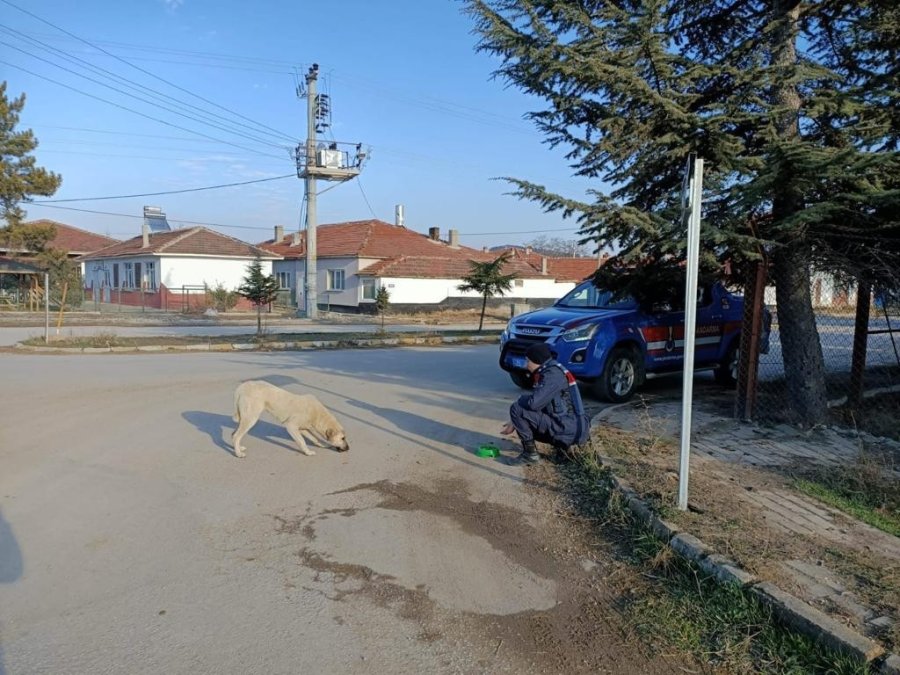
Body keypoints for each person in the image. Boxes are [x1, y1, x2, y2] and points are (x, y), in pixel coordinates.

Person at [501, 342, 590, 465]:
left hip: (569, 429)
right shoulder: (553, 369)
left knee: (517, 408)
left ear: (537, 360)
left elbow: (534, 404)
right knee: (524, 413)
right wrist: (515, 422)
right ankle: (563, 451)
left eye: (528, 361)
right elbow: (544, 403)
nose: (526, 365)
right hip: (571, 426)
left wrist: (521, 399)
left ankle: (530, 455)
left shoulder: (552, 375)